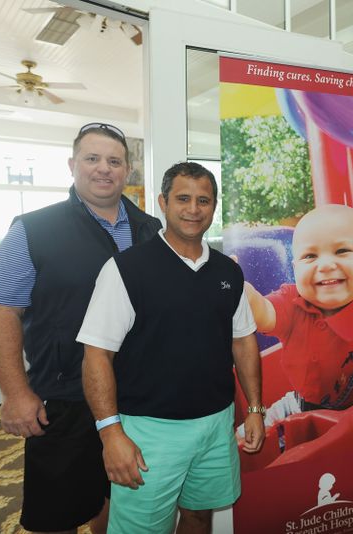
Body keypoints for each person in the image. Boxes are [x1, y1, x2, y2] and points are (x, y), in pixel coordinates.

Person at [0, 122, 161, 534]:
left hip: (138, 399)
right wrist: (14, 393)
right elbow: (1, 311)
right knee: (57, 514)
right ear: (72, 165)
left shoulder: (152, 232)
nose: (103, 169)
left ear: (128, 170)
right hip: (65, 400)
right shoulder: (32, 229)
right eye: (92, 158)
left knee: (118, 499)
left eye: (114, 161)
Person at [77, 161, 265, 534]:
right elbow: (96, 354)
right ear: (163, 202)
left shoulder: (228, 271)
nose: (193, 209)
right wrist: (111, 433)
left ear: (214, 205)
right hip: (149, 431)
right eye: (183, 198)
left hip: (215, 424)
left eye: (203, 200)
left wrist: (255, 409)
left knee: (199, 516)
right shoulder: (126, 270)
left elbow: (243, 342)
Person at [240, 203, 353, 426]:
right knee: (246, 442)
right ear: (295, 269)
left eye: (342, 251)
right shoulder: (292, 303)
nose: (325, 265)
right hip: (298, 407)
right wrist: (241, 293)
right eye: (310, 256)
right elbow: (263, 312)